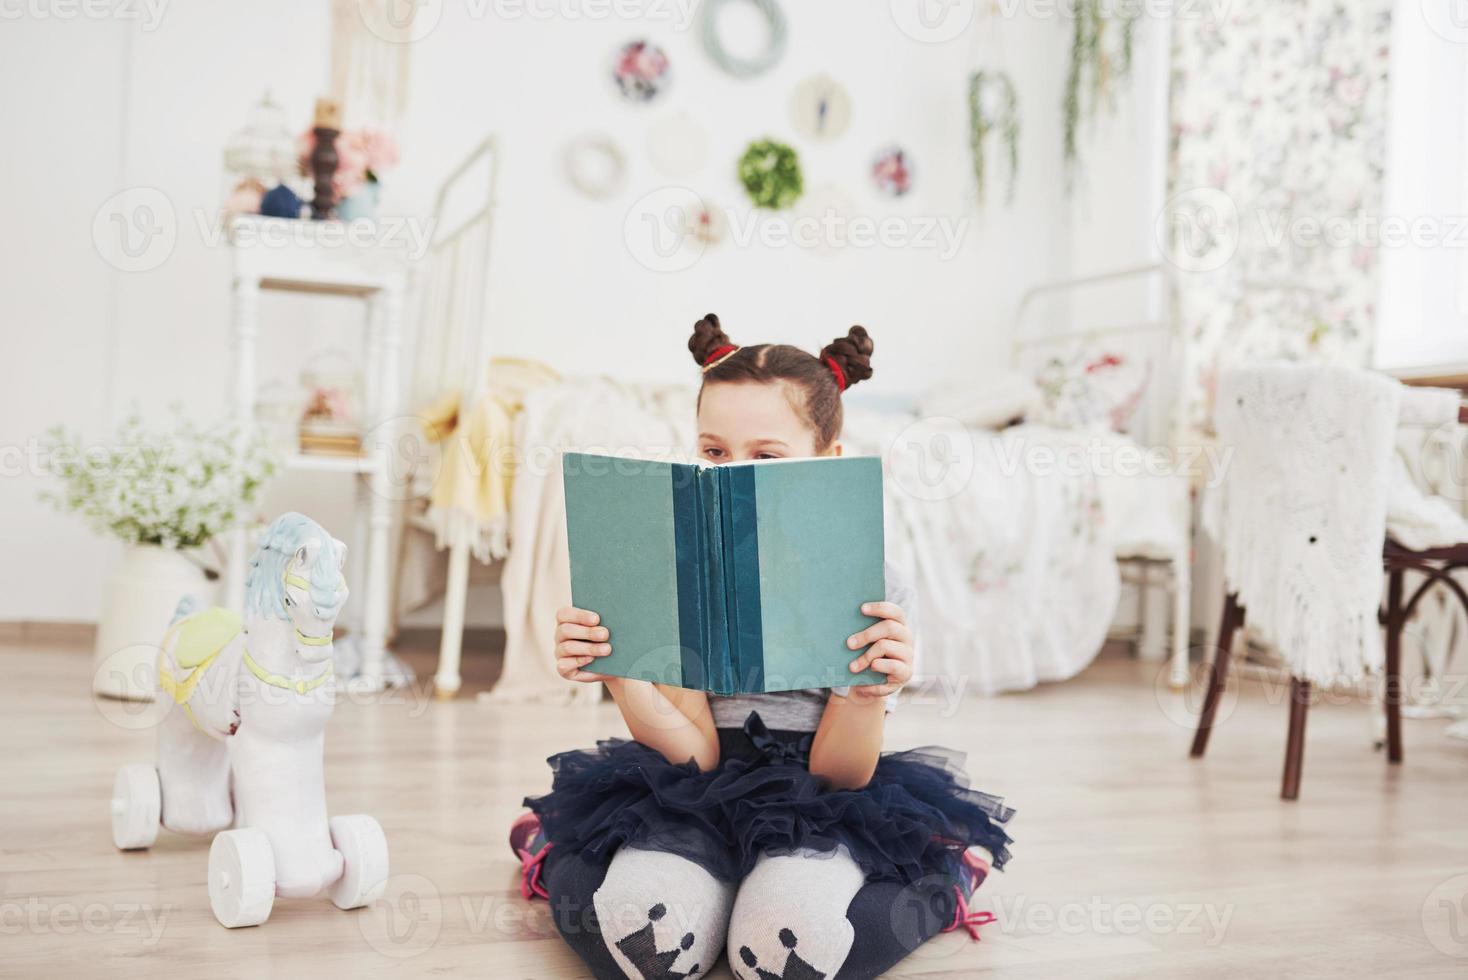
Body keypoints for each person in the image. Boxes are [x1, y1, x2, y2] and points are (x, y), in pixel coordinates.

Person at [509, 314, 1014, 979]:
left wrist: (863, 692)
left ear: (827, 462)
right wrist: (623, 673)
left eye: (766, 457)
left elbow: (840, 776)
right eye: (714, 453)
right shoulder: (677, 568)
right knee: (639, 936)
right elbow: (695, 753)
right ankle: (573, 857)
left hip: (822, 802)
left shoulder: (874, 589)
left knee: (787, 951)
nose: (732, 476)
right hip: (689, 791)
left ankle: (945, 878)